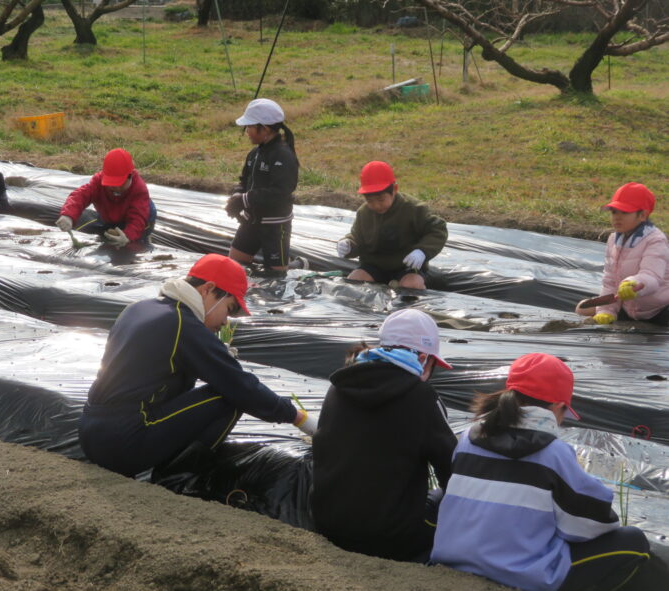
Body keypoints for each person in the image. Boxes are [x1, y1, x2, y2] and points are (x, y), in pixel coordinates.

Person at [431, 353, 665, 591]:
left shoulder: (468, 439)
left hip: (452, 561)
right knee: (632, 540)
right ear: (557, 407)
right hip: (516, 575)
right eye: (564, 412)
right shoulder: (554, 453)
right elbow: (592, 525)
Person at [79, 253, 315, 478]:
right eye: (229, 309)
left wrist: (212, 353)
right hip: (124, 442)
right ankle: (178, 478)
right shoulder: (182, 323)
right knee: (230, 397)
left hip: (90, 431)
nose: (224, 321)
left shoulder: (140, 307)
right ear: (208, 289)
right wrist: (297, 417)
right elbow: (241, 386)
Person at [310, 308, 457, 562]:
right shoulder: (421, 397)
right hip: (390, 540)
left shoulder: (338, 386)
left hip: (326, 524)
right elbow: (453, 472)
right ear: (423, 358)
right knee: (448, 496)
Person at [337, 161, 447, 290]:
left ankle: (410, 309)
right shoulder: (364, 213)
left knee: (411, 285)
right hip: (374, 266)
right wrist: (349, 245)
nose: (376, 205)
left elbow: (437, 230)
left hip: (407, 266)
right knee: (354, 281)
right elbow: (357, 238)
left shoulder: (413, 209)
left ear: (394, 190)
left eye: (381, 200)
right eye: (370, 201)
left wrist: (422, 251)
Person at [226, 98, 303, 273]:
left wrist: (244, 199)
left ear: (265, 128)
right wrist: (236, 197)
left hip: (275, 225)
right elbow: (244, 181)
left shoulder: (283, 155)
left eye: (249, 127)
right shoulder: (254, 153)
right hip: (251, 221)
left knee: (276, 275)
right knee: (235, 266)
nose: (247, 131)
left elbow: (281, 191)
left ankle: (297, 265)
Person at [575, 182, 668, 326]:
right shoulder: (613, 239)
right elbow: (610, 280)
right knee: (582, 307)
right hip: (630, 307)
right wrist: (606, 311)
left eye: (624, 212)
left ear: (642, 215)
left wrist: (634, 284)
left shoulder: (655, 240)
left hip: (659, 308)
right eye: (614, 212)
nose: (617, 217)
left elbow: (652, 277)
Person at [56, 148, 156, 247]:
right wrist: (68, 215)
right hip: (109, 215)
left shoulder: (139, 189)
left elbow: (137, 219)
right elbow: (81, 196)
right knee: (107, 240)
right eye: (112, 184)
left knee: (133, 245)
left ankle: (144, 239)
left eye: (120, 183)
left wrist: (128, 236)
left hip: (140, 217)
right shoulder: (98, 183)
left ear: (130, 176)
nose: (116, 188)